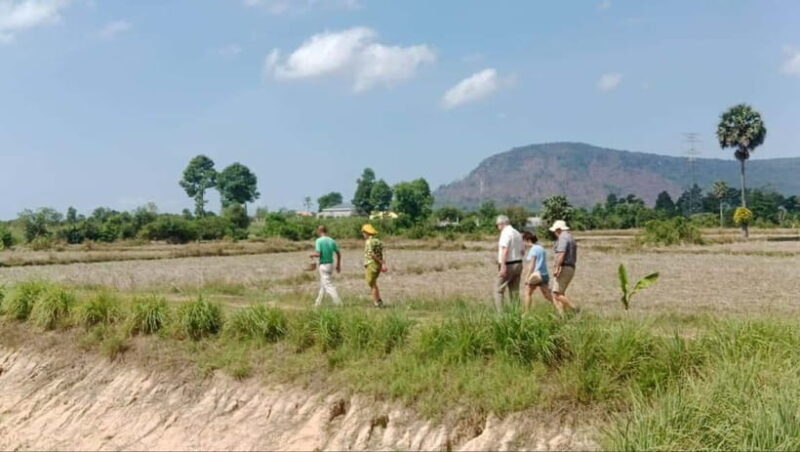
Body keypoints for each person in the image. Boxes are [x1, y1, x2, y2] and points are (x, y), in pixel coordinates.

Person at [494, 215, 524, 311]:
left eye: (497, 225)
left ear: (502, 223)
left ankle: (501, 315)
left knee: (498, 290)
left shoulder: (505, 233)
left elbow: (505, 249)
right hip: (518, 263)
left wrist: (503, 266)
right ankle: (516, 313)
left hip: (508, 264)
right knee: (514, 291)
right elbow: (523, 251)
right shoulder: (517, 233)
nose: (497, 227)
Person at [549, 220, 578, 314]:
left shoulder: (562, 238)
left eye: (555, 231)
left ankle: (574, 309)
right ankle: (562, 316)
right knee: (561, 293)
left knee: (555, 294)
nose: (554, 233)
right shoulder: (571, 238)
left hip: (564, 267)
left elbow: (561, 254)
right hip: (571, 267)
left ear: (558, 229)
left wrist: (557, 267)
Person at [522, 231, 554, 312]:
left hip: (536, 275)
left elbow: (532, 265)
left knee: (527, 292)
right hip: (544, 274)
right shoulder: (541, 248)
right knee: (547, 294)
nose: (524, 243)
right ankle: (559, 307)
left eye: (524, 241)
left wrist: (527, 277)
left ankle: (526, 313)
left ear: (528, 240)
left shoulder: (533, 250)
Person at [310, 225, 342, 307]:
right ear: (326, 231)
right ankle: (317, 303)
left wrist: (312, 255)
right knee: (323, 285)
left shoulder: (318, 241)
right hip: (330, 264)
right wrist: (338, 265)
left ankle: (338, 303)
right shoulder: (332, 240)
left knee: (328, 285)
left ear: (319, 231)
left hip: (323, 265)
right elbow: (338, 253)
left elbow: (318, 254)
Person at [362, 223, 387, 307]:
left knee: (371, 283)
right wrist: (382, 263)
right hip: (377, 265)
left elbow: (372, 254)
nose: (363, 234)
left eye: (363, 232)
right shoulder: (378, 241)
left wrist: (380, 261)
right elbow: (382, 252)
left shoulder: (368, 242)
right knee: (374, 283)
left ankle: (377, 302)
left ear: (366, 232)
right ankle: (378, 300)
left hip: (371, 263)